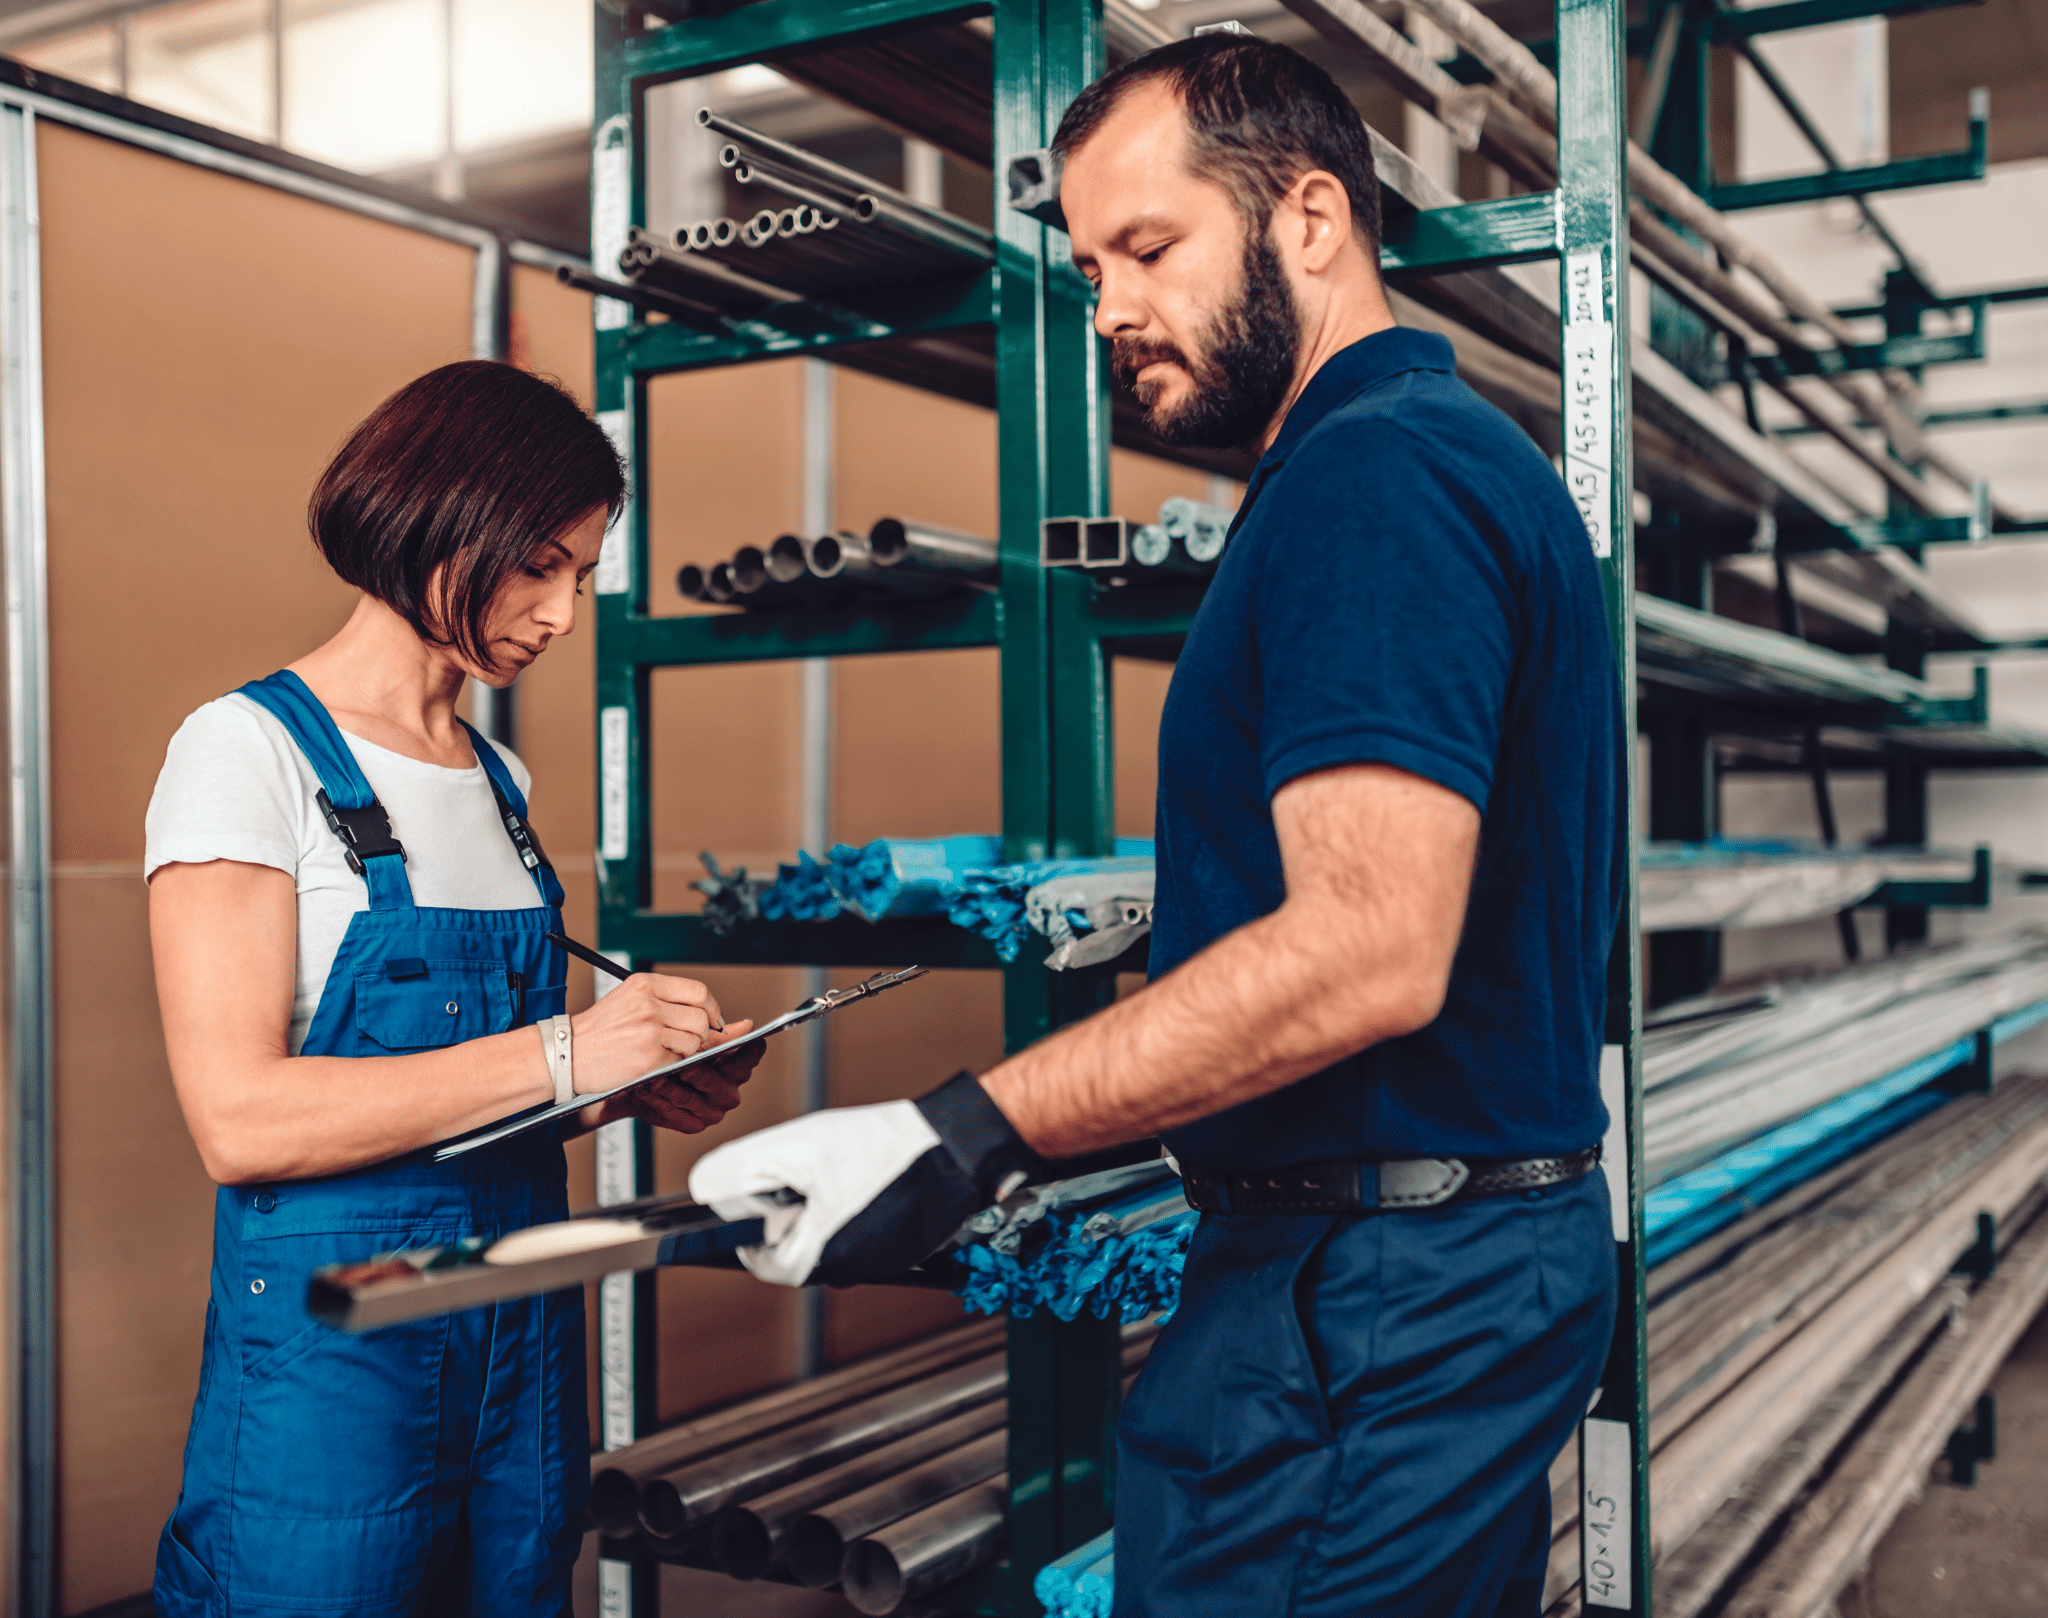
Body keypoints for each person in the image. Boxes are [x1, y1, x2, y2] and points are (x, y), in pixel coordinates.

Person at [690, 31, 1623, 1617]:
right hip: (1405, 1281)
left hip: (1370, 1305)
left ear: (1310, 221)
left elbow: (1367, 948)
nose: (1109, 303)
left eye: (1150, 246)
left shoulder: (1375, 483)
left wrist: (956, 1132)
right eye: (1090, 261)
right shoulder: (1433, 462)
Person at [147, 361, 763, 1617]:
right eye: (538, 563)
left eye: (582, 576)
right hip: (342, 1352)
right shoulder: (245, 751)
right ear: (440, 521)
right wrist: (563, 1056)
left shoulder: (501, 784)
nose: (563, 614)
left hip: (517, 1327)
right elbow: (239, 1119)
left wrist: (624, 1090)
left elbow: (478, 1099)